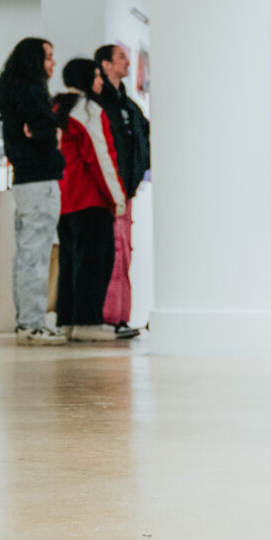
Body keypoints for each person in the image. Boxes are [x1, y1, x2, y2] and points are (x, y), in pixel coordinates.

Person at [0, 38, 64, 346]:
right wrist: (53, 133)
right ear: (35, 61)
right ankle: (32, 324)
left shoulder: (12, 94)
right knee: (35, 255)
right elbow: (48, 134)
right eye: (48, 57)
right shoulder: (33, 93)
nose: (53, 63)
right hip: (39, 182)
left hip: (24, 182)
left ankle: (26, 320)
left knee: (25, 255)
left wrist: (46, 132)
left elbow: (39, 132)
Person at [55, 57, 133, 340]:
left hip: (63, 201)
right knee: (94, 262)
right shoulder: (87, 110)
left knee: (70, 262)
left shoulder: (57, 108)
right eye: (97, 76)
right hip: (90, 199)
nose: (101, 82)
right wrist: (117, 198)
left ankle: (68, 321)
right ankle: (88, 322)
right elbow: (100, 157)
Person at [92, 44, 149, 331]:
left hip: (125, 192)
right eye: (121, 57)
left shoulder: (129, 107)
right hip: (108, 194)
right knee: (113, 253)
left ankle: (119, 316)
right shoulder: (100, 107)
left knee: (123, 252)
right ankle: (109, 317)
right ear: (105, 64)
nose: (128, 62)